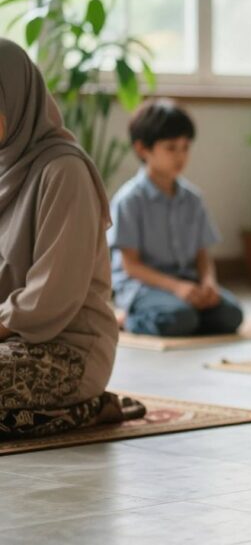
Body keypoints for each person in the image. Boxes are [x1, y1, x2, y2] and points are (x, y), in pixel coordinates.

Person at [0, 38, 143, 438]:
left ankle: (89, 405)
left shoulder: (64, 171)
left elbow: (53, 295)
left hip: (65, 350)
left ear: (16, 100)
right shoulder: (4, 166)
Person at [108, 98, 244, 337]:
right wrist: (177, 287)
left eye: (185, 147)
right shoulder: (129, 200)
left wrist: (208, 284)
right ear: (143, 149)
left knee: (231, 315)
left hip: (186, 283)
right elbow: (131, 266)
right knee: (179, 319)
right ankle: (128, 319)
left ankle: (182, 315)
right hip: (143, 287)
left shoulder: (193, 199)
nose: (180, 156)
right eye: (171, 148)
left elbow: (202, 254)